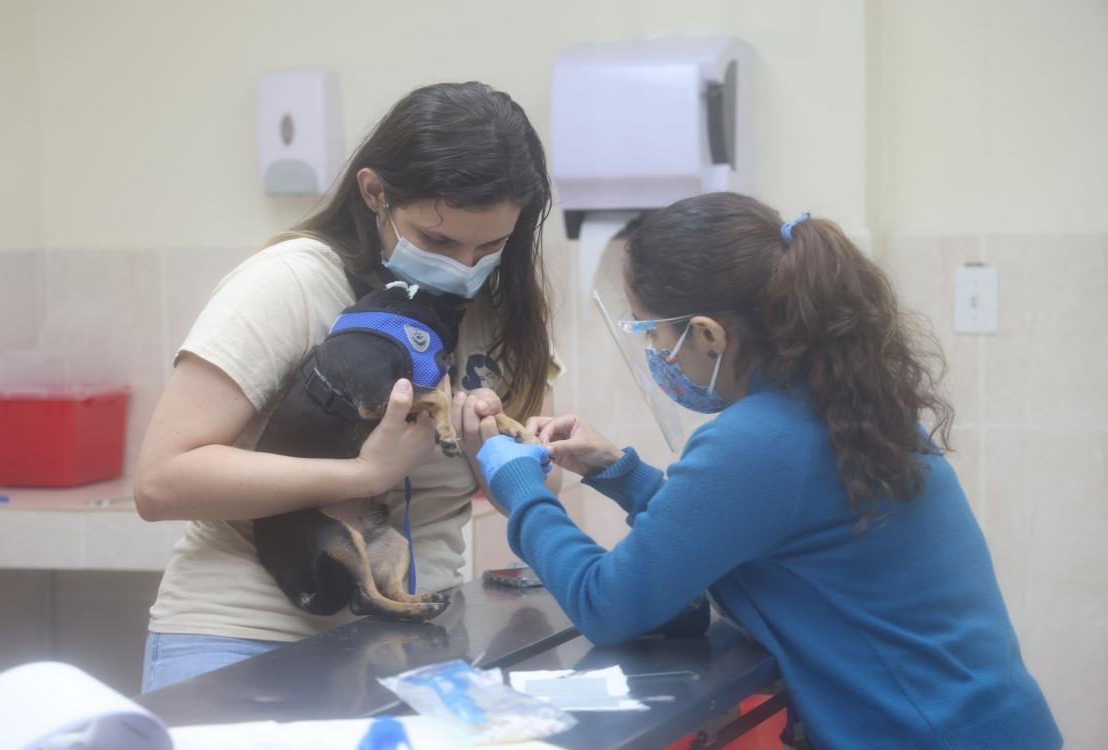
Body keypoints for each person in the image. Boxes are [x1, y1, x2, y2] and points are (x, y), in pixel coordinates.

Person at [474, 192, 1061, 749]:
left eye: (650, 329)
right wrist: (620, 472)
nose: (652, 349)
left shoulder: (755, 439)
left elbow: (607, 603)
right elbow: (744, 523)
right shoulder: (843, 403)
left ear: (708, 334)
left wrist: (520, 490)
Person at [134, 82, 563, 693]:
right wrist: (364, 475)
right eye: (438, 241)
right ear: (375, 194)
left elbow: (543, 485)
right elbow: (161, 482)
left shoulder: (498, 311)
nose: (465, 267)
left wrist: (484, 446)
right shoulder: (291, 283)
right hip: (248, 643)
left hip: (416, 642)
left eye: (490, 246)